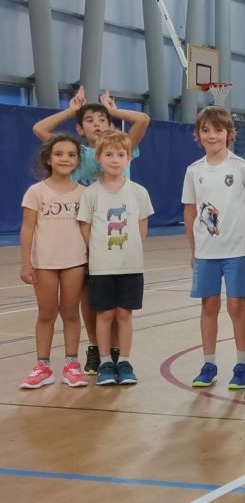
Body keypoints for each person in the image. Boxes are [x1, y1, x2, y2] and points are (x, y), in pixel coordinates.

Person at [33, 86, 150, 374]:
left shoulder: (121, 147)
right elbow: (39, 129)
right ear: (80, 129)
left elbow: (143, 120)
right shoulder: (79, 155)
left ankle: (116, 354)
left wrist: (114, 111)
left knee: (119, 308)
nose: (97, 124)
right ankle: (96, 349)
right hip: (84, 231)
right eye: (89, 120)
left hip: (116, 236)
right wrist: (72, 109)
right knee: (92, 301)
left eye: (102, 119)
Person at [182, 107, 245, 390]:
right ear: (197, 135)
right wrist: (194, 249)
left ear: (230, 134)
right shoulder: (194, 171)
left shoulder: (240, 166)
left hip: (237, 251)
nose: (212, 135)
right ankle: (209, 364)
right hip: (206, 253)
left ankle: (243, 364)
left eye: (218, 130)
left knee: (235, 306)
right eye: (205, 130)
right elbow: (190, 211)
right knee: (209, 306)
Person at [75, 130, 154, 386]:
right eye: (109, 154)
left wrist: (131, 248)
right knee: (105, 314)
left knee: (124, 314)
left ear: (129, 158)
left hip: (131, 265)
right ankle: (106, 361)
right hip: (101, 266)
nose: (115, 159)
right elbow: (85, 227)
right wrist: (97, 251)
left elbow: (142, 224)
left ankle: (124, 361)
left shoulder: (138, 192)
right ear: (98, 157)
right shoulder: (91, 194)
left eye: (121, 154)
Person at [19, 135, 88, 389]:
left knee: (70, 313)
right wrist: (27, 264)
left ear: (78, 161)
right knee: (47, 313)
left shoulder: (84, 193)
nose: (65, 159)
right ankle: (43, 366)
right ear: (48, 159)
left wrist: (92, 258)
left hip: (74, 262)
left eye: (71, 154)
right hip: (44, 263)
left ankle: (72, 364)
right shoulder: (36, 192)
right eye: (59, 154)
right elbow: (27, 229)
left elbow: (86, 229)